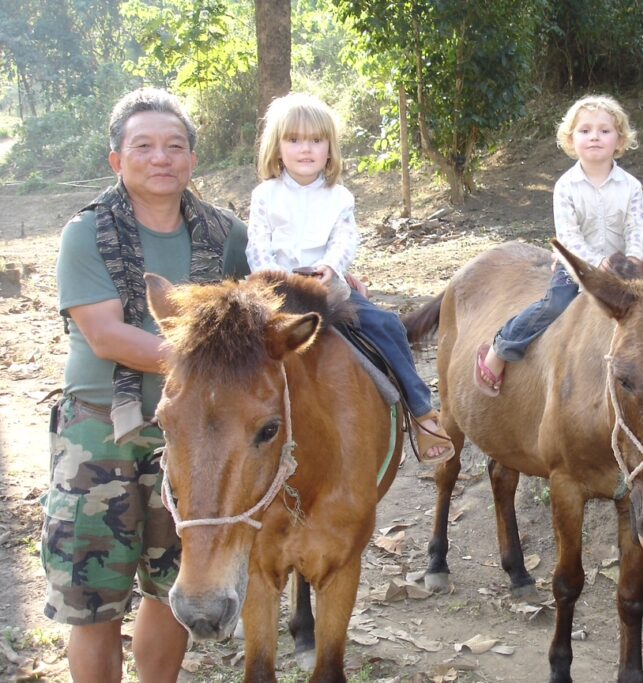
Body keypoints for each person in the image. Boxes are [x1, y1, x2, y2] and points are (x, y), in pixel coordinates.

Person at [44, 88, 250, 682]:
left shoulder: (226, 235)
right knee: (93, 601)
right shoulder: (87, 233)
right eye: (144, 146)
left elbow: (262, 311)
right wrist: (210, 367)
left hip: (194, 438)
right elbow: (107, 336)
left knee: (170, 587)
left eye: (175, 146)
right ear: (117, 159)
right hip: (99, 436)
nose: (161, 157)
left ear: (191, 158)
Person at [246, 92, 453, 463]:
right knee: (239, 341)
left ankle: (422, 413)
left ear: (330, 148)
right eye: (293, 140)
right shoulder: (266, 195)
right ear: (277, 148)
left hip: (327, 286)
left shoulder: (338, 196)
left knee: (386, 324)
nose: (305, 149)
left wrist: (332, 267)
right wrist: (270, 273)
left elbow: (346, 238)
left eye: (315, 140)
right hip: (275, 290)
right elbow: (257, 244)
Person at [475, 94, 643, 395]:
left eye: (604, 131)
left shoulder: (631, 186)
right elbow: (568, 237)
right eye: (585, 131)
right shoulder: (566, 186)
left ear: (619, 139)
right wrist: (597, 264)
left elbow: (638, 225)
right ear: (571, 139)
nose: (594, 136)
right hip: (575, 269)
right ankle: (502, 346)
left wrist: (634, 258)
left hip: (623, 269)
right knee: (554, 304)